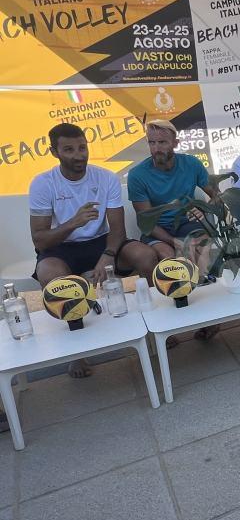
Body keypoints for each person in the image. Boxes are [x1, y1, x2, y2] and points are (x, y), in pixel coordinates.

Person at [30, 123, 159, 377]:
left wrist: (107, 256)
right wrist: (74, 223)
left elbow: (118, 229)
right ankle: (79, 353)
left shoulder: (105, 177)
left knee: (145, 256)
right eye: (69, 149)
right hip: (62, 246)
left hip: (103, 242)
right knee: (51, 276)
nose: (79, 155)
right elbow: (40, 240)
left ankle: (155, 329)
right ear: (54, 152)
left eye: (82, 147)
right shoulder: (43, 184)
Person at [128, 120, 221, 340]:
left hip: (186, 224)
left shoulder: (191, 164)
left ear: (175, 143)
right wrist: (173, 242)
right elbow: (146, 221)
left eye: (162, 142)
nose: (156, 148)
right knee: (168, 258)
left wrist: (203, 207)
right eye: (152, 143)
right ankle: (164, 326)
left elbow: (217, 197)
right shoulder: (138, 175)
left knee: (201, 250)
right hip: (157, 229)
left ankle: (209, 318)